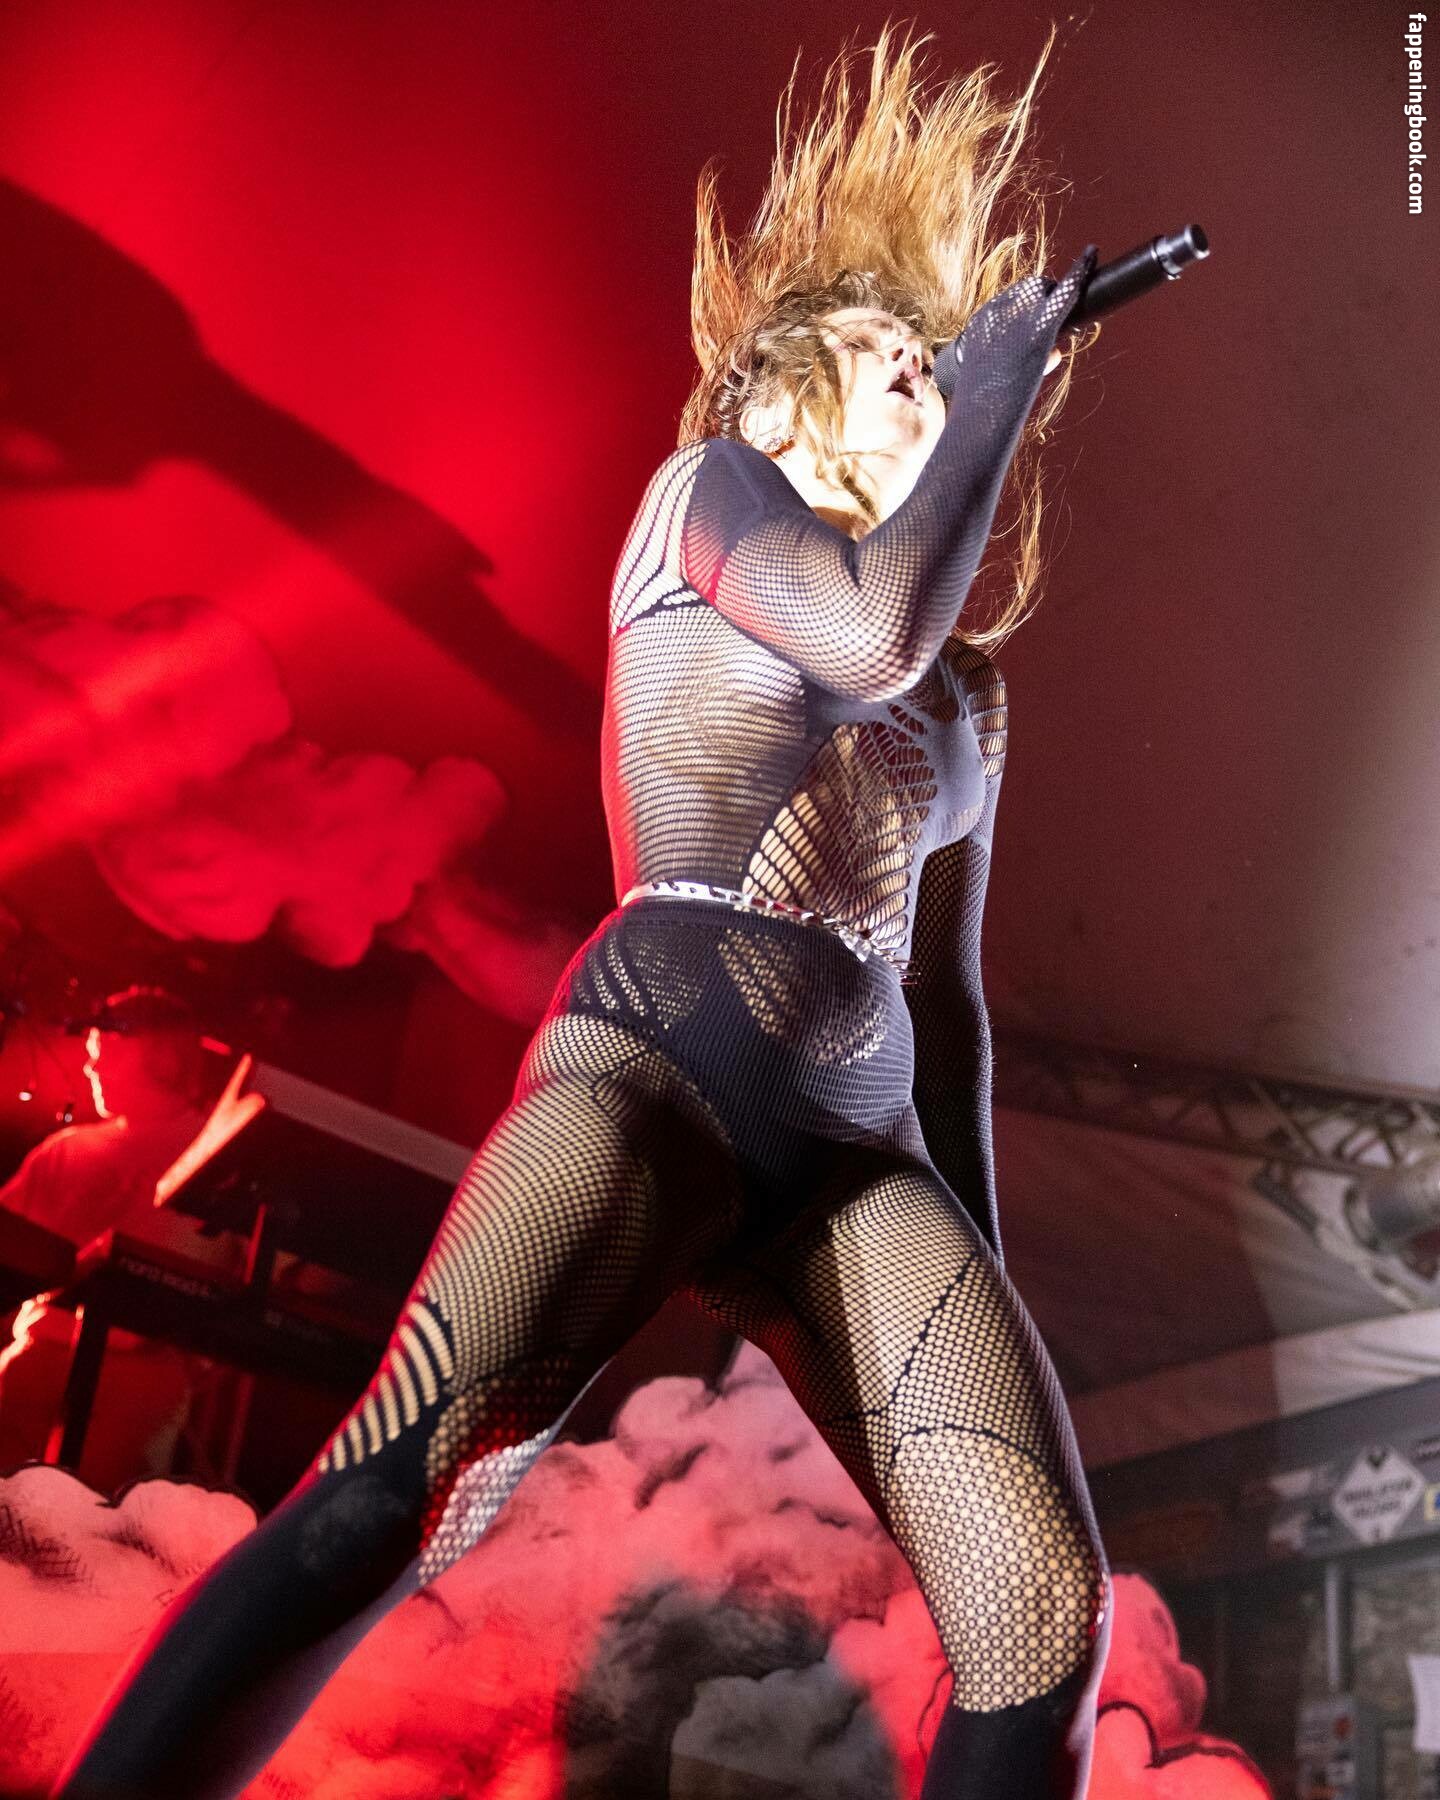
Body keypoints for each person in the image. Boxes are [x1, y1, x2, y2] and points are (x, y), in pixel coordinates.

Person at [54, 27, 1111, 1798]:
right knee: (404, 1490)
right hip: (656, 1070)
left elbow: (953, 1007)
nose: (927, 380)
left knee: (1039, 1616)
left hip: (861, 1160)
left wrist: (979, 1275)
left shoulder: (970, 699)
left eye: (942, 368)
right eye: (889, 354)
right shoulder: (716, 499)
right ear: (781, 387)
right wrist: (1002, 381)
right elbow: (862, 631)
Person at [0, 987, 243, 1491]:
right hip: (38, 1353)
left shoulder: (224, 1155)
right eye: (92, 1053)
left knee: (86, 1522)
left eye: (106, 1051)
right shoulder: (66, 1150)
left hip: (139, 1376)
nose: (91, 1067)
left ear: (164, 1056)